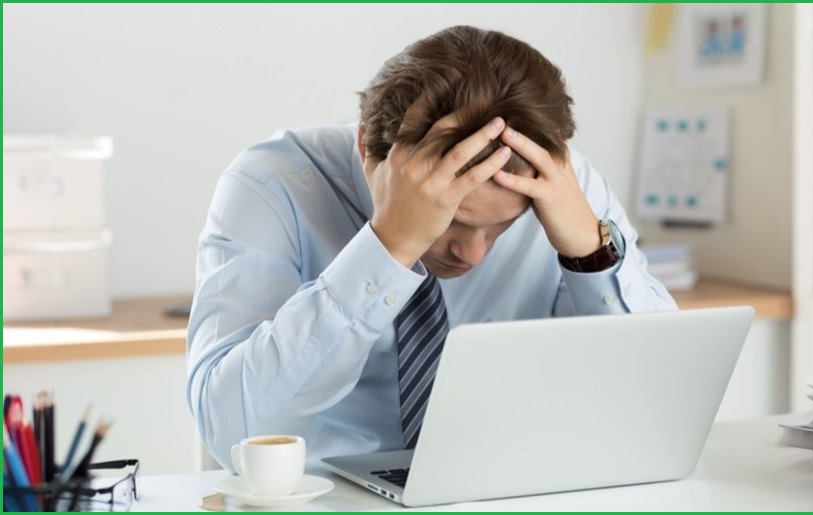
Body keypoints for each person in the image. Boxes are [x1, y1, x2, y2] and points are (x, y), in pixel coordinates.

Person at [187, 25, 677, 471]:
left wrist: (591, 255)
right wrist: (390, 247)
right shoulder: (272, 184)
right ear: (368, 153)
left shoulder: (559, 184)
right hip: (320, 494)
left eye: (502, 226)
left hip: (507, 483)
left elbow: (661, 402)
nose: (473, 255)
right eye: (453, 220)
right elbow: (232, 432)